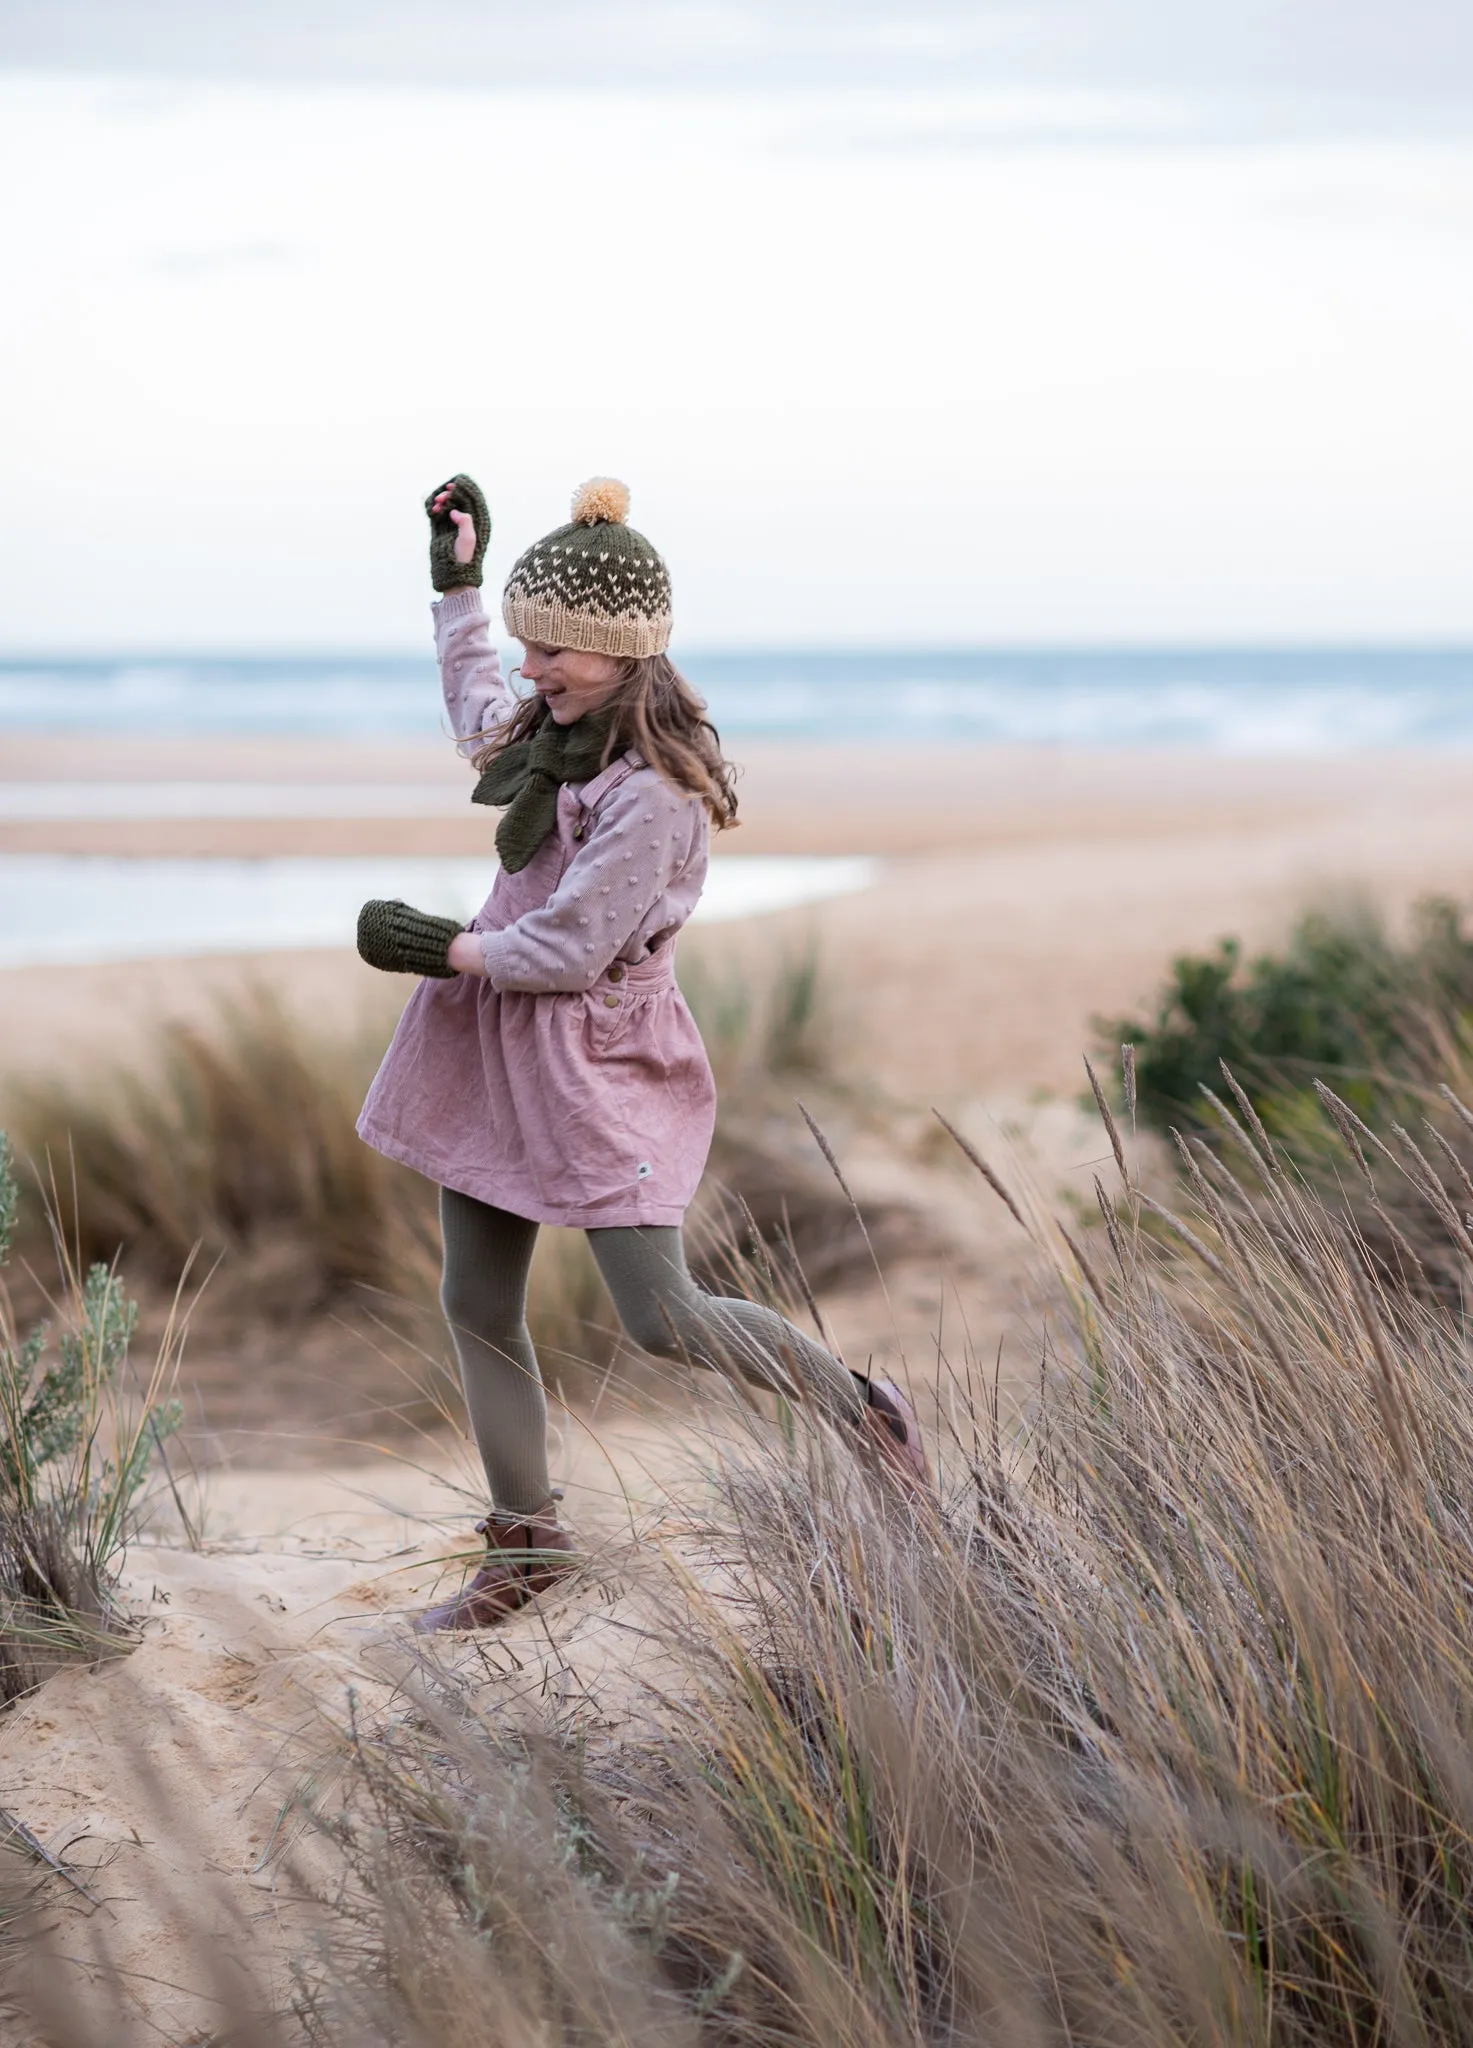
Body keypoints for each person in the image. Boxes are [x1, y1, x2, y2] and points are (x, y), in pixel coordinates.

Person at [355, 473, 928, 1631]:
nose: (532, 670)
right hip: (493, 1050)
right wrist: (458, 586)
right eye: (528, 646)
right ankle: (526, 1542)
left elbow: (565, 950)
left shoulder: (654, 794)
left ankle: (863, 1410)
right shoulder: (545, 739)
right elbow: (476, 708)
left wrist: (437, 945)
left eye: (555, 652)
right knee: (475, 1295)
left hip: (596, 1061)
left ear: (624, 654)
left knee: (659, 1314)